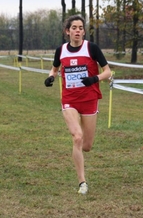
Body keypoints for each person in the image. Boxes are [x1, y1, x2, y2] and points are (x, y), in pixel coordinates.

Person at [44, 15, 111, 195]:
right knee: (77, 137)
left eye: (81, 28)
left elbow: (108, 72)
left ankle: (79, 156)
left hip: (89, 100)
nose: (78, 31)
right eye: (74, 28)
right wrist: (51, 77)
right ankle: (82, 182)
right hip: (69, 100)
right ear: (68, 31)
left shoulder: (92, 48)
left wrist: (93, 79)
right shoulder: (61, 50)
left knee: (87, 145)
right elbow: (55, 68)